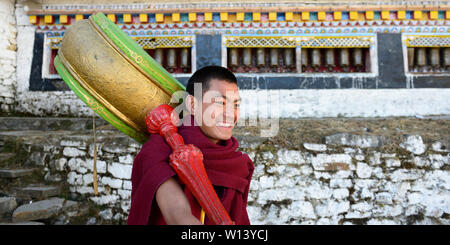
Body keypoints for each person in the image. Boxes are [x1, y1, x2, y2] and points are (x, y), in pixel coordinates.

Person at [127, 66, 254, 225]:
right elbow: (177, 213)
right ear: (192, 105)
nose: (230, 114)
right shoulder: (160, 149)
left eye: (236, 105)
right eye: (220, 103)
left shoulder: (237, 163)